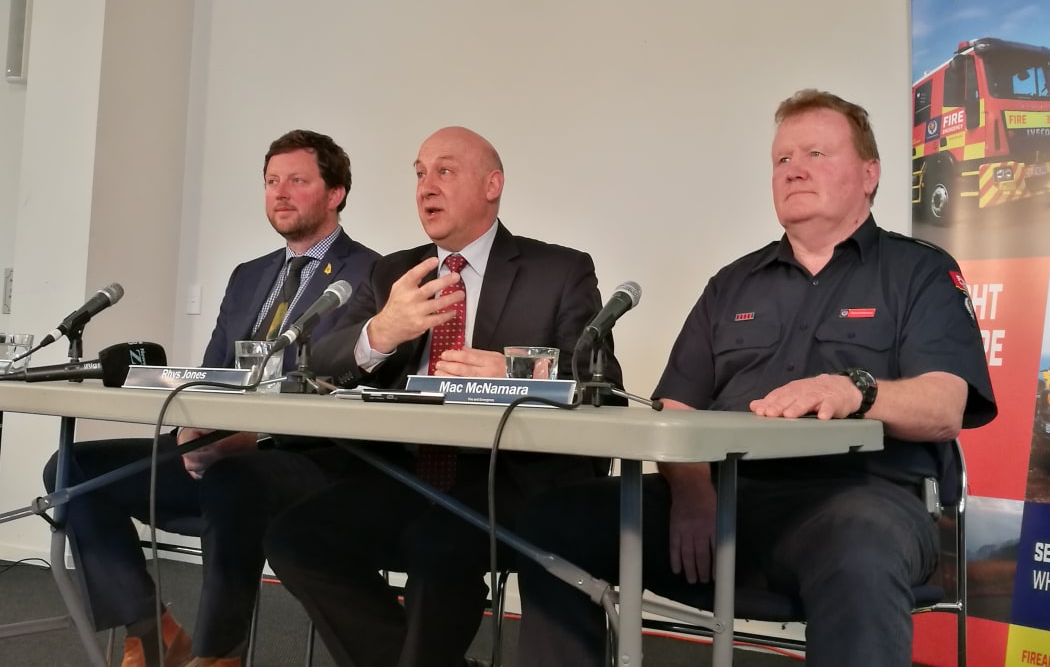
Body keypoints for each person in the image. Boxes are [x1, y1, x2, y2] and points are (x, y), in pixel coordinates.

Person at [513, 90, 997, 667]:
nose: (794, 169)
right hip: (720, 503)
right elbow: (676, 407)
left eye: (816, 153)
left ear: (869, 174)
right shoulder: (732, 284)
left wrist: (856, 389)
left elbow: (945, 405)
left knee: (859, 545)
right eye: (782, 160)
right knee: (549, 519)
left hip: (858, 499)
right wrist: (692, 492)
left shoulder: (920, 272)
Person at [260, 125, 623, 667]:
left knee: (438, 544)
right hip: (407, 471)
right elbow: (322, 359)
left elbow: (601, 377)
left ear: (492, 184)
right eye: (419, 173)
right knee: (295, 536)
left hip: (508, 476)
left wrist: (518, 371)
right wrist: (380, 332)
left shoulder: (558, 269)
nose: (426, 186)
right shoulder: (393, 272)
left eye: (445, 171)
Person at [43, 130, 380, 667]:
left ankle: (217, 655)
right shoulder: (249, 276)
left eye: (297, 180)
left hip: (304, 459)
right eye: (271, 181)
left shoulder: (370, 273)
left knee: (234, 479)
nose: (280, 193)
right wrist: (191, 430)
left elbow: (349, 384)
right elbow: (212, 372)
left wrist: (251, 437)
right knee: (73, 467)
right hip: (219, 446)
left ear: (336, 192)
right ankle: (152, 634)